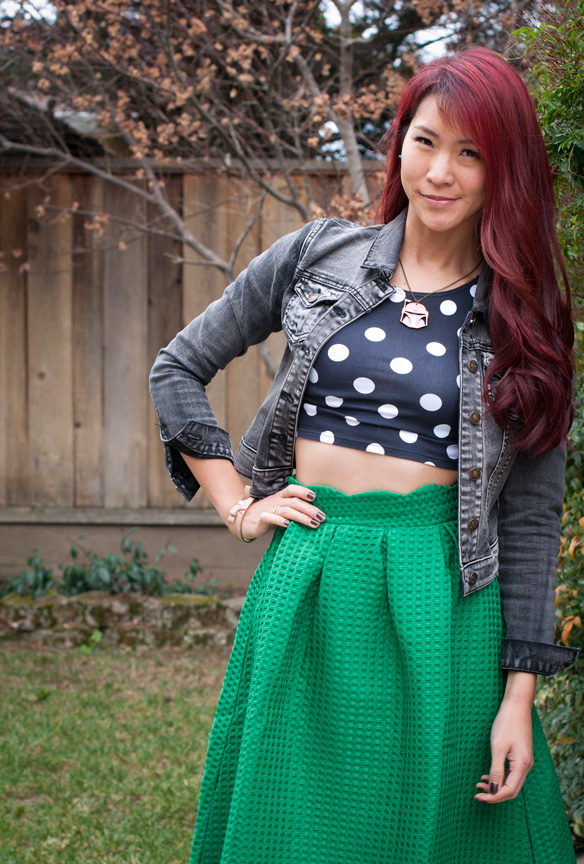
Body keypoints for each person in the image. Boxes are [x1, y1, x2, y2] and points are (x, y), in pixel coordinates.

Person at [150, 46, 580, 864]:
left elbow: (530, 516)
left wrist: (518, 696)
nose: (440, 172)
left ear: (504, 171)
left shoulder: (526, 320)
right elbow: (178, 367)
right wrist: (237, 503)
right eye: (425, 141)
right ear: (400, 144)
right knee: (291, 822)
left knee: (433, 827)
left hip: (442, 595)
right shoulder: (318, 255)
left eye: (471, 152)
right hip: (311, 579)